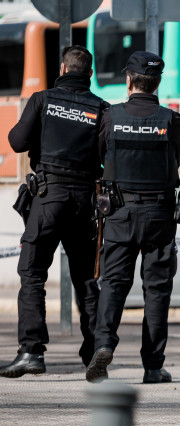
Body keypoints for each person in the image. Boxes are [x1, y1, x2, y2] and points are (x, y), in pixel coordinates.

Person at [0, 46, 106, 377]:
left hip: (48, 197)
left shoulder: (43, 100)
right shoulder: (102, 109)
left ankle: (32, 351)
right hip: (85, 202)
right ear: (89, 73)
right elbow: (109, 156)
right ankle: (94, 350)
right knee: (87, 279)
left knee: (32, 272)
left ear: (62, 67)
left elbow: (16, 142)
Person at [85, 51, 180, 384]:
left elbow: (99, 155)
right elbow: (177, 157)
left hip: (119, 212)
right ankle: (153, 366)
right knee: (157, 291)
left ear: (129, 80)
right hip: (159, 214)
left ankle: (103, 345)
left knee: (113, 285)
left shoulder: (110, 117)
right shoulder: (172, 120)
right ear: (157, 82)